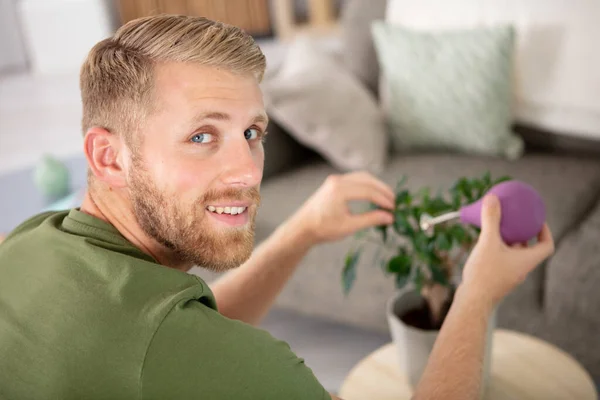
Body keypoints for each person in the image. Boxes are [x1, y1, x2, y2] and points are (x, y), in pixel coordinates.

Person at [0, 15, 554, 400]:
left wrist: (303, 230)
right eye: (201, 136)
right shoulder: (230, 364)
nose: (247, 170)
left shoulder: (28, 243)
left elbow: (182, 340)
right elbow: (182, 349)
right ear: (108, 156)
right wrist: (477, 293)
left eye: (251, 131)